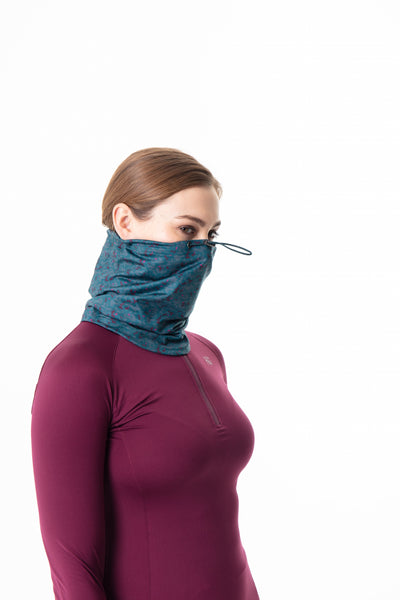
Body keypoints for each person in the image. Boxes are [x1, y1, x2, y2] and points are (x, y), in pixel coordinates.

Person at [30, 147, 260, 600]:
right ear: (125, 222)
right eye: (187, 230)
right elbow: (72, 568)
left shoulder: (206, 354)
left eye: (211, 235)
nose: (202, 252)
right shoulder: (79, 368)